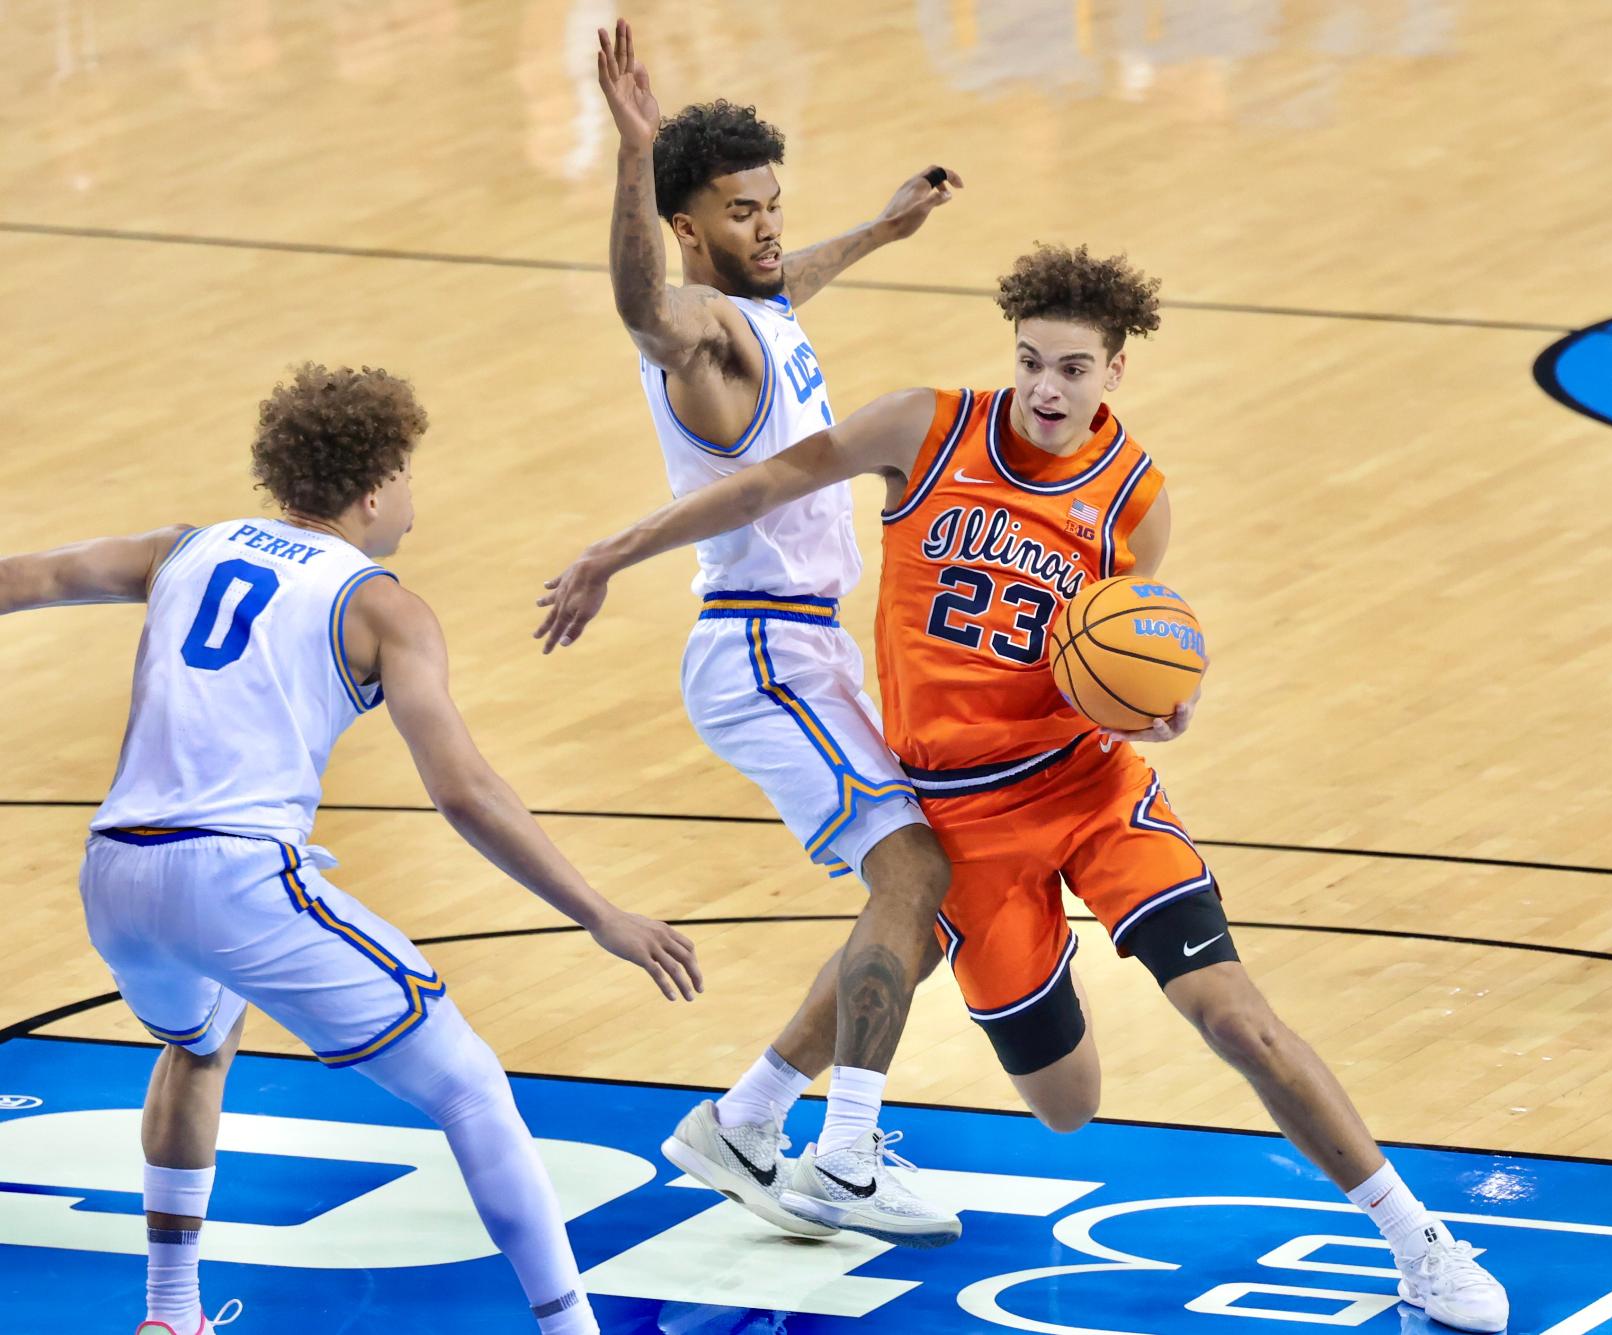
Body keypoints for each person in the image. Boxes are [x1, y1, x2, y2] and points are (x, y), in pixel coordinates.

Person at [537, 245, 1510, 1332]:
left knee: (1234, 1018)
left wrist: (1161, 703)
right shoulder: (927, 427)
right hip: (967, 819)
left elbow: (1139, 648)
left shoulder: (1134, 497)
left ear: (1117, 371)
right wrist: (609, 555)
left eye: (1074, 369)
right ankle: (785, 1097)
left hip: (1090, 790)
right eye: (1032, 362)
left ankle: (1415, 1238)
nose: (1047, 389)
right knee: (1068, 1107)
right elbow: (763, 482)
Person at [0, 364, 702, 1335]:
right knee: (469, 1084)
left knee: (200, 1043)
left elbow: (21, 579)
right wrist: (600, 913)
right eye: (407, 475)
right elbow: (464, 792)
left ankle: (171, 1316)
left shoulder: (182, 549)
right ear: (376, 488)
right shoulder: (384, 608)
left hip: (116, 876)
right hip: (237, 878)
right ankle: (569, 1327)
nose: (412, 499)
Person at [535, 19, 969, 1247]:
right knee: (915, 875)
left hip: (805, 647)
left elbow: (784, 289)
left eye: (775, 203)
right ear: (688, 225)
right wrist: (631, 153)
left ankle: (750, 1119)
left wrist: (881, 232)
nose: (770, 227)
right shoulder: (700, 333)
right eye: (741, 211)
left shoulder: (760, 305)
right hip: (763, 650)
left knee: (922, 898)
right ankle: (843, 1158)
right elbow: (642, 305)